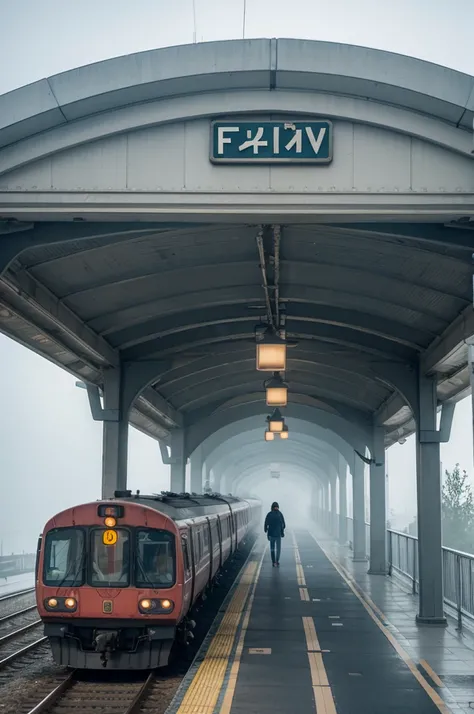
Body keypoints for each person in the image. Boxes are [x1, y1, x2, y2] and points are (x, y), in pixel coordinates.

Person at [264, 502, 286, 567]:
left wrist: (266, 530)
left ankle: (273, 562)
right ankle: (277, 561)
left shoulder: (269, 514)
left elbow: (266, 523)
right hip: (278, 535)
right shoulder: (280, 514)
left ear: (272, 507)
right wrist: (281, 530)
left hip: (271, 535)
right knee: (278, 549)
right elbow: (284, 525)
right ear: (278, 507)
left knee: (272, 549)